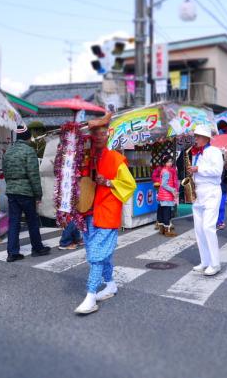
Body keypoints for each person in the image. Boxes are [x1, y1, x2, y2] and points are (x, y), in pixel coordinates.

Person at [74, 113, 137, 315]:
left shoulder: (116, 159)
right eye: (95, 134)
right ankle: (110, 284)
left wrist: (108, 182)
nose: (99, 137)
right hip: (88, 212)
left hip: (107, 212)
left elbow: (130, 184)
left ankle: (91, 296)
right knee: (102, 254)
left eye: (102, 133)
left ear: (108, 135)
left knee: (96, 255)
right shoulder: (85, 157)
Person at [3, 126, 51, 262]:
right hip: (26, 192)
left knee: (14, 222)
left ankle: (12, 253)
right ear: (28, 138)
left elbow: (5, 173)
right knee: (32, 221)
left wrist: (11, 186)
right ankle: (37, 248)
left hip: (12, 191)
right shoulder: (29, 151)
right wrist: (38, 195)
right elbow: (33, 175)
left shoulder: (8, 151)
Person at [189, 125, 224, 276]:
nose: (195, 138)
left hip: (211, 191)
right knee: (199, 229)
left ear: (205, 138)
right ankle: (205, 261)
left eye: (198, 136)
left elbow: (218, 171)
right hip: (198, 191)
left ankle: (215, 264)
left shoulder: (215, 151)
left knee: (208, 227)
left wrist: (198, 169)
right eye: (195, 136)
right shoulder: (196, 153)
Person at [156, 154, 179, 237]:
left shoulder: (164, 170)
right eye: (168, 162)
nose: (170, 163)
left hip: (163, 195)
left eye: (171, 161)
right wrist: (173, 190)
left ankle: (162, 229)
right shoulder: (166, 172)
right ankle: (167, 230)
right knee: (167, 213)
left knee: (162, 212)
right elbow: (164, 184)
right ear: (165, 163)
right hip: (166, 195)